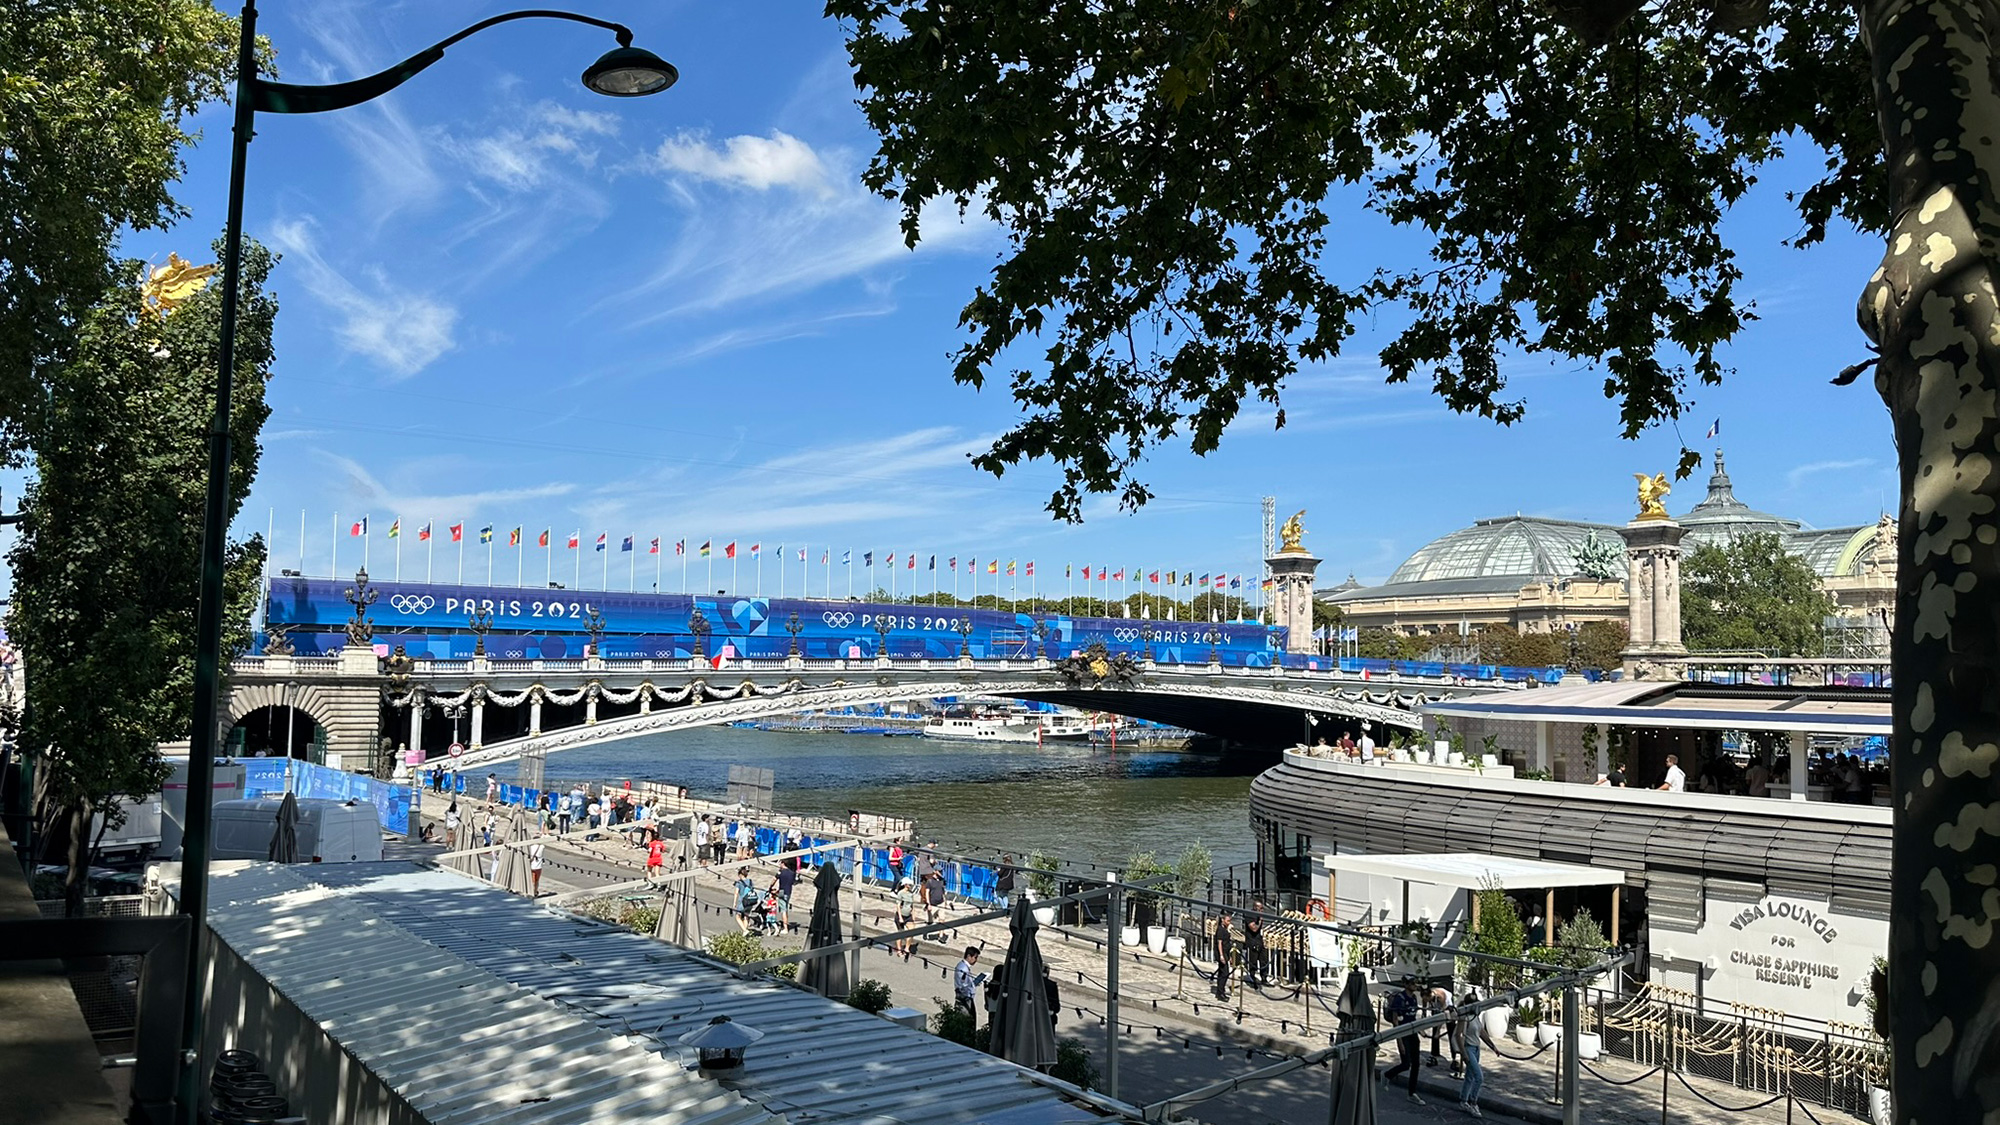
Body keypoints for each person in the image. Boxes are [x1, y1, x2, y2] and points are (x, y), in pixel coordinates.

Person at [1381, 977, 1424, 1105]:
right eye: (1412, 983)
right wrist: (1399, 1041)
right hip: (1403, 1033)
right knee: (1406, 1064)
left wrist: (1420, 1030)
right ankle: (1387, 1075)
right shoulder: (1400, 998)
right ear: (1405, 984)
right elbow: (1395, 1021)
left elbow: (1413, 1016)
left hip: (1413, 1032)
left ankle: (1412, 1093)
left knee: (1416, 1064)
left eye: (1416, 983)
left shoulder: (1414, 998)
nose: (1415, 985)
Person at [1456, 990, 1494, 1117]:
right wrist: (1463, 1053)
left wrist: (1493, 1046)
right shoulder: (1464, 1017)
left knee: (1470, 1077)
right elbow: (1459, 1035)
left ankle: (1463, 1101)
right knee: (1479, 1077)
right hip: (1469, 1048)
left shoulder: (1475, 1016)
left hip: (1476, 1048)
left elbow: (1482, 1032)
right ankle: (1473, 1102)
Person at [954, 947, 987, 1022]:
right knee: (966, 1021)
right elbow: (963, 986)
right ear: (969, 956)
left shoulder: (963, 966)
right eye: (975, 957)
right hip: (965, 999)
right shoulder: (963, 969)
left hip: (966, 998)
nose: (976, 960)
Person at [1426, 983, 1454, 1068]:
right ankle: (1434, 1053)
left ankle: (1455, 1056)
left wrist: (1438, 1031)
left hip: (1447, 1007)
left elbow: (1443, 1014)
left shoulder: (1441, 996)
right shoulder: (1427, 995)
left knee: (1451, 1030)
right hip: (1438, 1007)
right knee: (1435, 1026)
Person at [893, 877, 918, 960]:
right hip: (901, 915)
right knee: (900, 933)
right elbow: (898, 906)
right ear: (905, 885)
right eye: (909, 884)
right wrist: (900, 917)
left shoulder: (911, 893)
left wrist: (913, 914)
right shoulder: (901, 893)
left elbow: (912, 905)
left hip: (908, 916)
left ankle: (907, 948)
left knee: (911, 931)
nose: (910, 886)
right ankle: (899, 950)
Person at [1212, 913, 1235, 1000]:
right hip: (1222, 954)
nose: (1229, 922)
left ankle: (1220, 991)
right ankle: (1220, 992)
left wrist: (1229, 957)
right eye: (1227, 921)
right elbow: (1219, 943)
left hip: (1226, 953)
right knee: (1224, 972)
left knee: (1222, 972)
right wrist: (1221, 955)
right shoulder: (1221, 930)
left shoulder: (1224, 929)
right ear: (1223, 920)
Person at [1243, 905, 1267, 988]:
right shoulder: (1250, 915)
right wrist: (1260, 921)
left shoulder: (1259, 916)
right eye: (1260, 908)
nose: (1262, 910)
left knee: (1263, 959)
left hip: (1259, 941)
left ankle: (1264, 978)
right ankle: (1252, 978)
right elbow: (1254, 929)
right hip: (1252, 942)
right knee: (1253, 961)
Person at [734, 867, 761, 933]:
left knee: (738, 916)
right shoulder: (750, 881)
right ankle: (745, 932)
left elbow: (736, 893)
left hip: (743, 901)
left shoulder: (739, 883)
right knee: (746, 916)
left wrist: (734, 903)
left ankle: (745, 930)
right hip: (750, 901)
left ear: (740, 874)